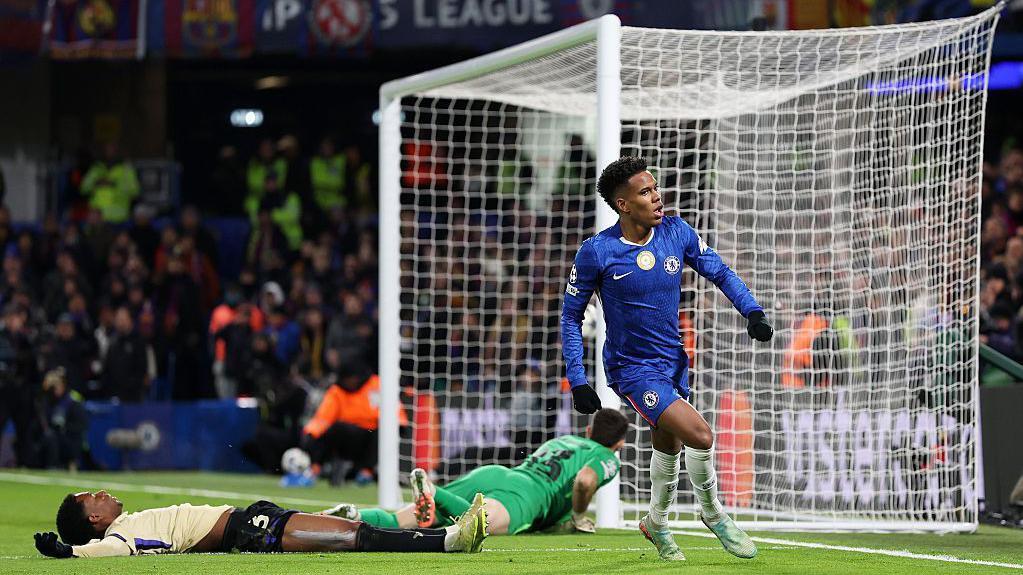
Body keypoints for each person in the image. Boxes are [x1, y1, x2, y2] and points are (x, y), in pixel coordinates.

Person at [560, 156, 773, 562]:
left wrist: (753, 311)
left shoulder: (676, 232)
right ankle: (714, 513)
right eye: (646, 192)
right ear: (623, 204)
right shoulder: (597, 251)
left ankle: (656, 521)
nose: (657, 197)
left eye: (655, 187)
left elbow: (720, 272)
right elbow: (571, 316)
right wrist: (578, 379)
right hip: (632, 369)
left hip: (672, 361)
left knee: (669, 442)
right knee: (701, 436)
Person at [322, 408, 628, 536]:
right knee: (474, 526)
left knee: (402, 521)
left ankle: (351, 516)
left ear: (588, 430)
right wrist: (578, 516)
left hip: (496, 474)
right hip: (525, 496)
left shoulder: (565, 440)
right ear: (620, 444)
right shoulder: (606, 457)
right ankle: (433, 491)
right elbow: (584, 481)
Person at [33, 490, 487, 558]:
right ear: (95, 519)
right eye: (94, 497)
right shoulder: (120, 535)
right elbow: (112, 551)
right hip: (247, 530)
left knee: (349, 532)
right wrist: (70, 552)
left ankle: (447, 536)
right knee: (352, 537)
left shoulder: (129, 521)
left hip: (249, 521)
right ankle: (449, 540)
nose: (103, 493)